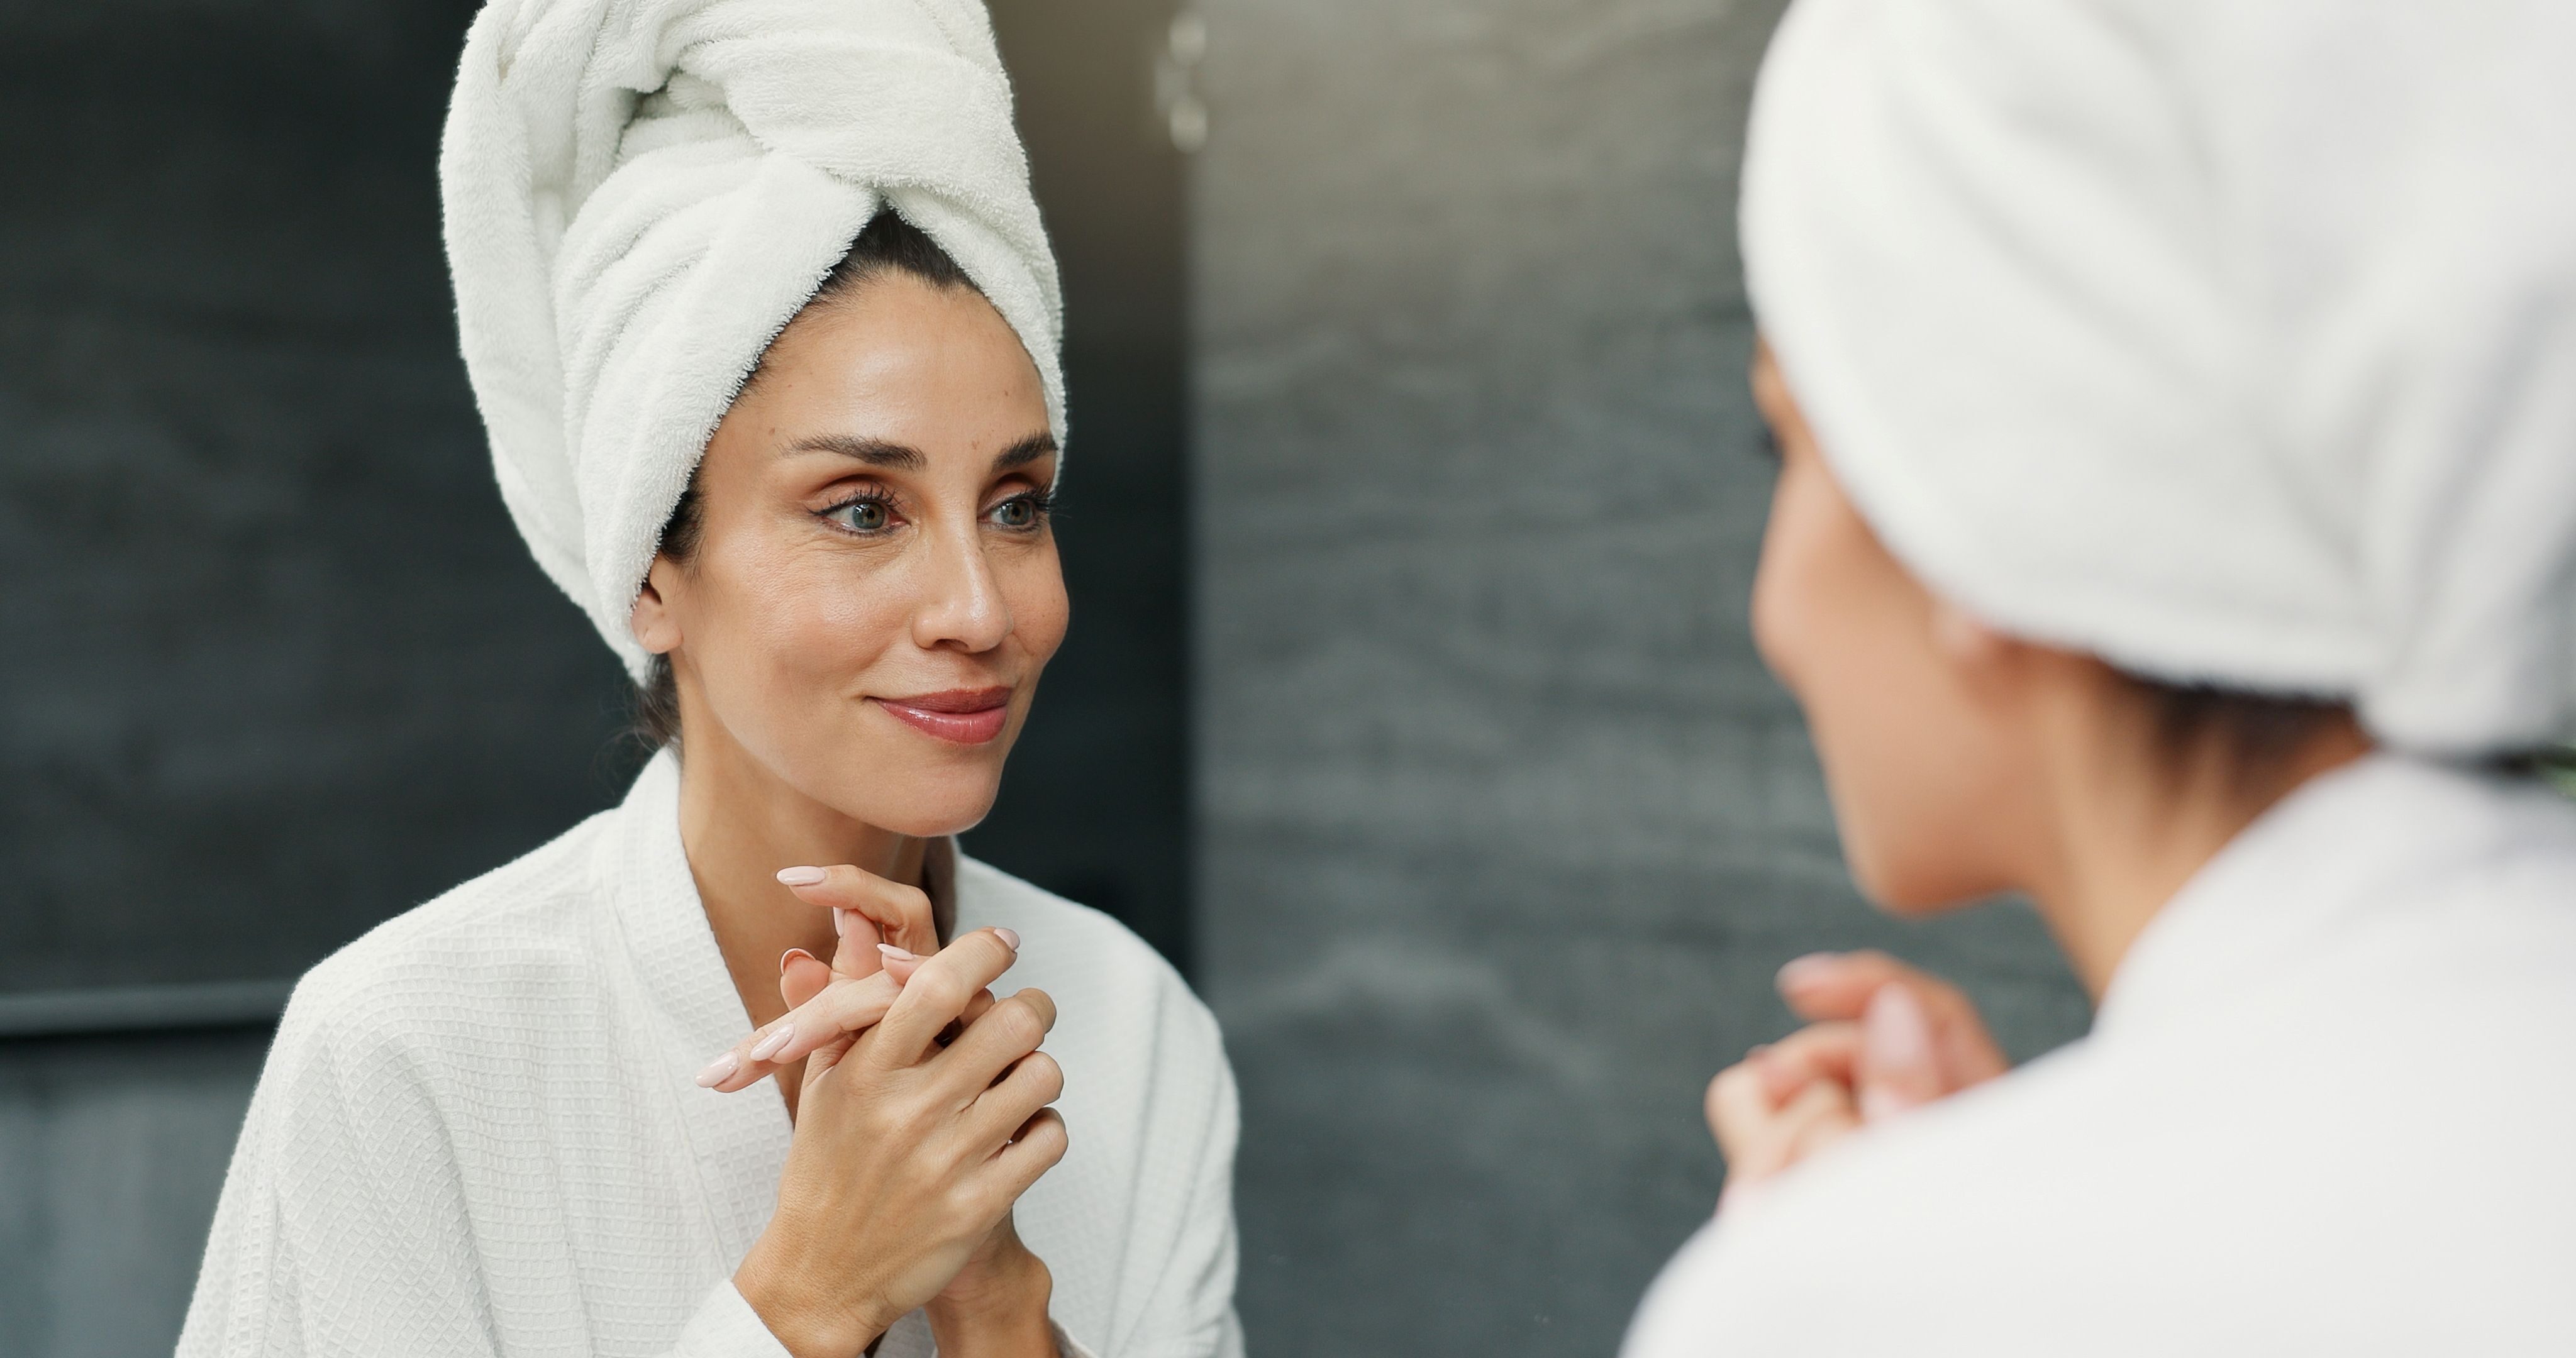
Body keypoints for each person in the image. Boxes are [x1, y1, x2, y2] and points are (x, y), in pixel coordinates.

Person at [178, 4, 1240, 1356]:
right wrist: (810, 1293)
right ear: (649, 570)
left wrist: (994, 1303)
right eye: (862, 510)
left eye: (1017, 505)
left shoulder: (1133, 1028)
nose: (981, 610)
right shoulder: (405, 1052)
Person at [1626, 0, 2576, 1352]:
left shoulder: (1854, 1306)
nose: (1773, 613)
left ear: (1983, 511)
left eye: (1787, 449)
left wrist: (1930, 1274)